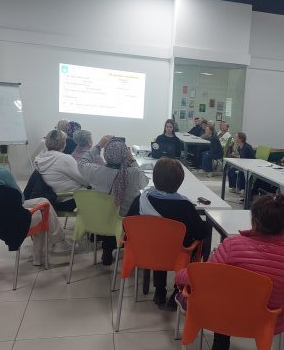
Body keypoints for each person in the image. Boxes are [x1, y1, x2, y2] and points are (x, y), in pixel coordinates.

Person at [175, 195, 284, 350]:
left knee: (226, 293)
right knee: (235, 293)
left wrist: (179, 277)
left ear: (254, 221)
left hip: (224, 315)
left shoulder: (233, 245)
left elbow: (203, 276)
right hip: (267, 320)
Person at [127, 158, 210, 306]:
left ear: (154, 178)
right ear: (180, 181)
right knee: (188, 242)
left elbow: (127, 226)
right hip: (177, 254)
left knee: (159, 241)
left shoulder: (141, 199)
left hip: (147, 251)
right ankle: (178, 291)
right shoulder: (185, 206)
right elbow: (200, 233)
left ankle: (159, 291)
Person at [0, 138, 70, 265]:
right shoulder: (3, 174)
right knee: (42, 210)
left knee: (43, 201)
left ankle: (58, 241)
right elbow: (20, 199)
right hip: (10, 222)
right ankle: (48, 250)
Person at [78, 136, 149, 265]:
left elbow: (81, 162)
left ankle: (107, 250)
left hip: (100, 220)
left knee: (111, 213)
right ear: (125, 155)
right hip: (126, 223)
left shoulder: (95, 171)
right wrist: (132, 160)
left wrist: (98, 146)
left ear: (106, 155)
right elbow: (145, 182)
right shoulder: (133, 173)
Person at [34, 129, 88, 211]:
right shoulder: (64, 159)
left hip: (50, 199)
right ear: (63, 143)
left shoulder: (39, 159)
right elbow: (84, 180)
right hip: (68, 199)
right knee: (99, 192)